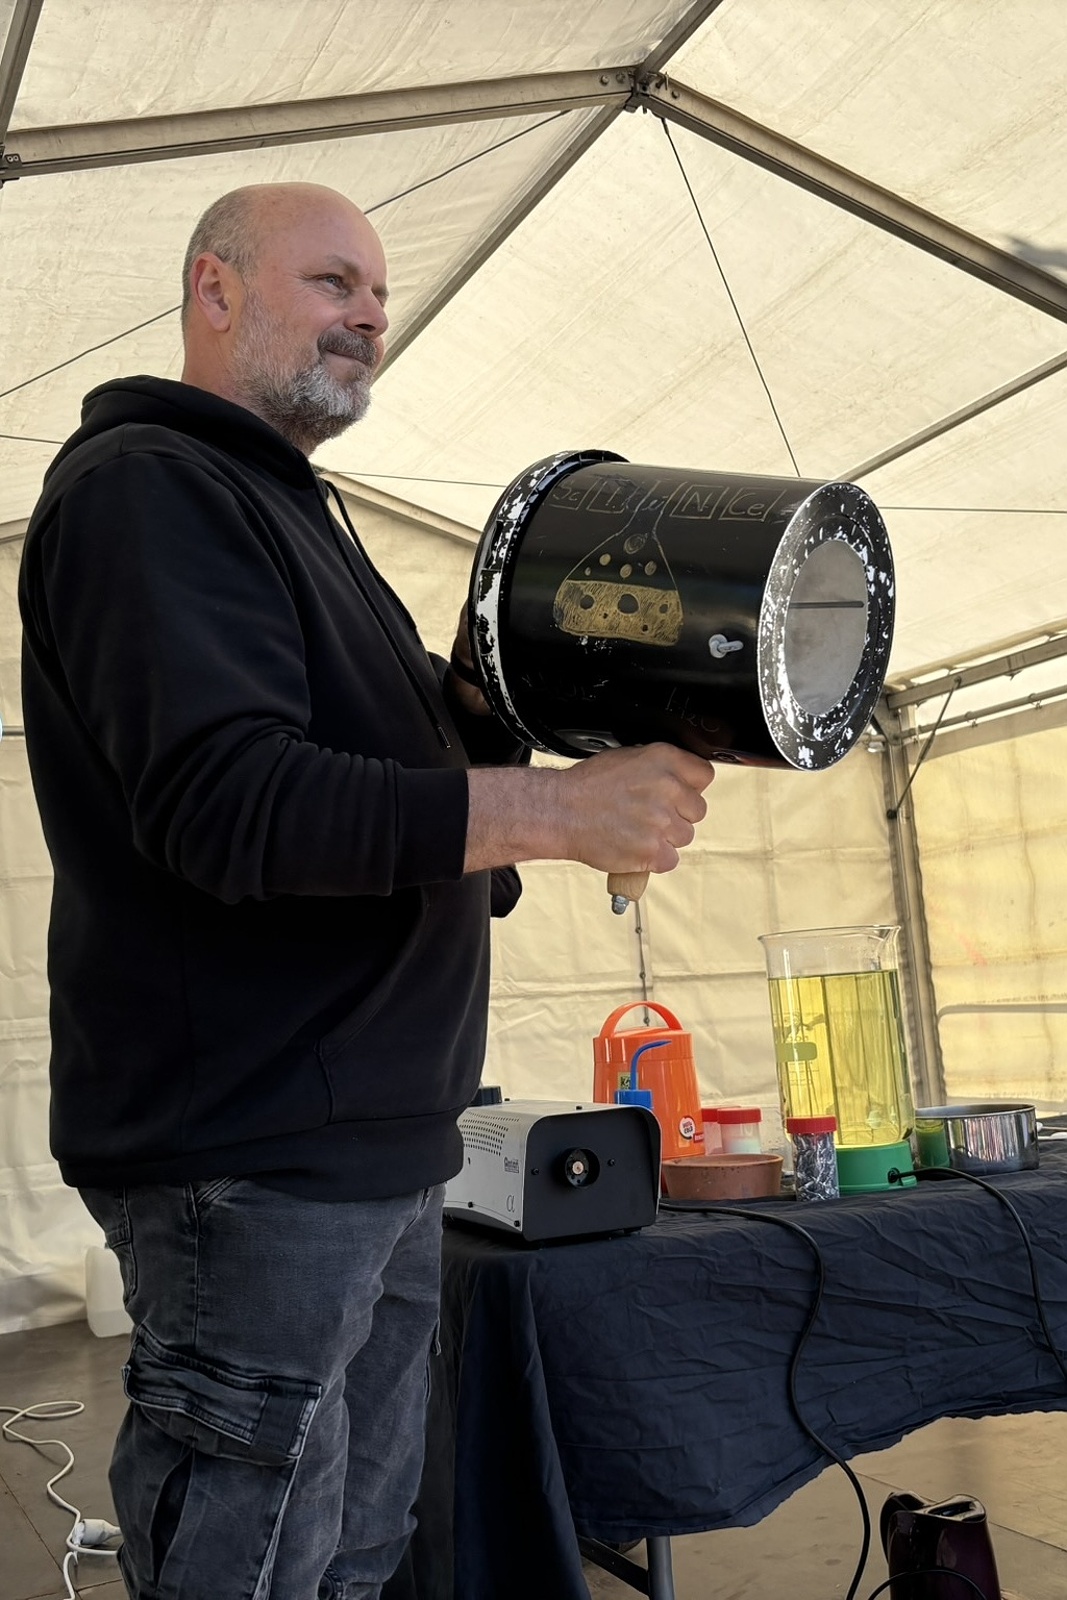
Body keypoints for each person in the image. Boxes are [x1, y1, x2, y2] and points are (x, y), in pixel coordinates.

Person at [18, 182, 713, 1600]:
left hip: (381, 1148)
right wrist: (558, 811)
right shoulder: (150, 487)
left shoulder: (293, 512)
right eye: (334, 281)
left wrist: (486, 699)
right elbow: (232, 804)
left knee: (356, 1559)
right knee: (256, 1566)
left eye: (381, 295)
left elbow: (392, 797)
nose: (371, 316)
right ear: (216, 290)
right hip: (254, 1154)